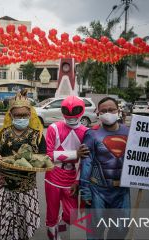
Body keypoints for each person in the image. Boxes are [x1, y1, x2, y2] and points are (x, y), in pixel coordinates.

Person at [0, 89, 46, 240]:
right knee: (3, 228)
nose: (21, 118)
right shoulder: (1, 134)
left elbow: (43, 159)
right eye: (17, 115)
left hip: (27, 190)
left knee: (24, 229)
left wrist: (34, 161)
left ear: (30, 114)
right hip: (4, 189)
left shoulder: (37, 136)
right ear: (10, 115)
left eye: (25, 115)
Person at [79, 97, 130, 240]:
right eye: (104, 111)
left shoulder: (130, 133)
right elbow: (86, 163)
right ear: (98, 114)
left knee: (121, 228)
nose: (108, 113)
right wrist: (85, 191)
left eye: (111, 110)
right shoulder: (91, 134)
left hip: (122, 191)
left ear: (118, 111)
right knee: (95, 230)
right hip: (98, 190)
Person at [45, 96, 89, 240]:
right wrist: (74, 154)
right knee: (51, 214)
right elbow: (48, 155)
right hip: (53, 175)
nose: (71, 116)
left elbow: (85, 161)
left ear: (81, 111)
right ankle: (54, 236)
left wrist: (77, 181)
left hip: (72, 178)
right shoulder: (54, 128)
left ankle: (60, 228)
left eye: (74, 111)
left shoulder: (86, 132)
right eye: (67, 112)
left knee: (71, 216)